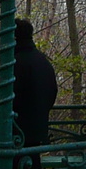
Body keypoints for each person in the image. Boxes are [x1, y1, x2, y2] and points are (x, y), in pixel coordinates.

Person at [16, 18, 59, 157]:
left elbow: (13, 95)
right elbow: (52, 91)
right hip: (38, 127)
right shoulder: (42, 60)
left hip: (18, 131)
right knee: (33, 167)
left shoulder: (16, 61)